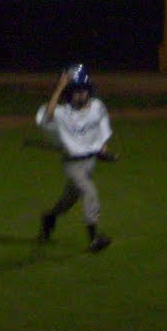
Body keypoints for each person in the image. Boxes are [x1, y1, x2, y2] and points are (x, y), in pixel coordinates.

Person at [34, 64, 115, 252]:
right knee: (89, 192)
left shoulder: (97, 107)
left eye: (83, 90)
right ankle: (94, 238)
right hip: (73, 165)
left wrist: (103, 148)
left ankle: (50, 217)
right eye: (75, 91)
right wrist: (60, 87)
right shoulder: (63, 113)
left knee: (68, 200)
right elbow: (47, 117)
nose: (80, 95)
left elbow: (101, 130)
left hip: (89, 163)